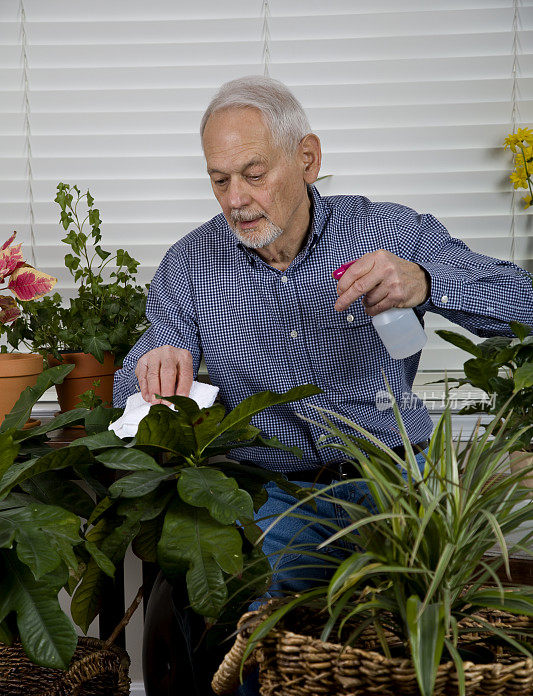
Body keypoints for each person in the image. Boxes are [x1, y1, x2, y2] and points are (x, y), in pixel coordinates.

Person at [114, 73, 533, 598]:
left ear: (307, 159)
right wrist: (157, 360)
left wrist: (426, 283)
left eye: (254, 173)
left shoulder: (390, 233)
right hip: (274, 503)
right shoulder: (188, 267)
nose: (236, 199)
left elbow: (524, 303)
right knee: (262, 654)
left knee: (405, 660)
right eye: (220, 180)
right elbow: (132, 384)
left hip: (397, 487)